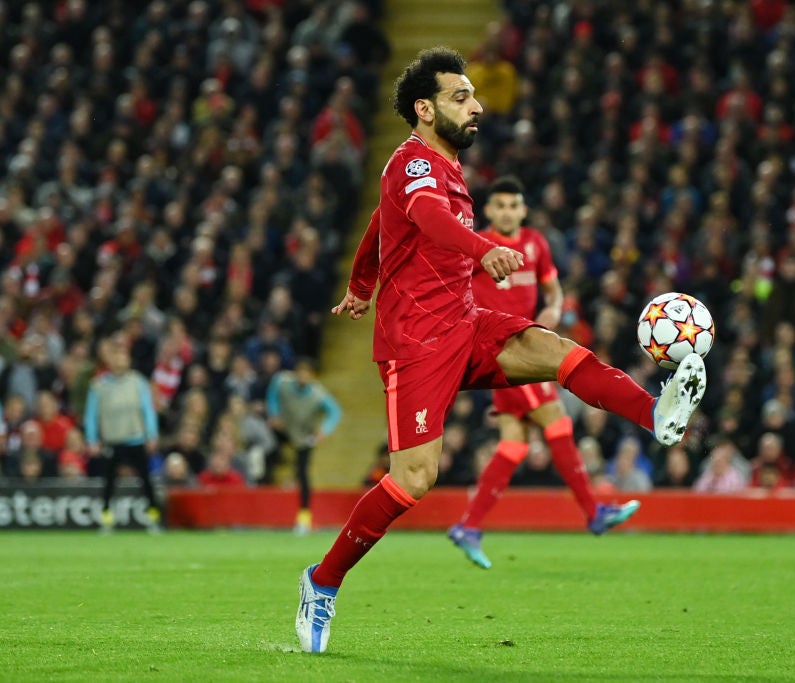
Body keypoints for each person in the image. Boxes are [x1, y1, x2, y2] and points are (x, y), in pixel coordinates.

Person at [295, 47, 707, 654]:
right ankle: (321, 583)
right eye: (461, 96)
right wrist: (480, 248)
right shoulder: (414, 166)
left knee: (553, 349)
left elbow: (380, 228)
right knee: (414, 479)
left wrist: (360, 285)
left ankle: (656, 415)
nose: (477, 105)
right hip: (416, 342)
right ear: (424, 109)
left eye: (473, 94)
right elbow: (429, 219)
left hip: (465, 321)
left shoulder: (445, 164)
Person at [446, 175, 640, 569]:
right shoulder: (479, 248)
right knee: (557, 421)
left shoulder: (535, 243)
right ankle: (593, 512)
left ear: (522, 209)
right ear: (490, 211)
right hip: (503, 353)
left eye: (512, 205)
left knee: (514, 444)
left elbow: (553, 290)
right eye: (498, 205)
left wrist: (552, 309)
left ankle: (469, 525)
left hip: (529, 349)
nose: (506, 212)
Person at [83, 342, 162, 532]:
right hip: (112, 439)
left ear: (128, 360)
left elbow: (147, 410)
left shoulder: (138, 382)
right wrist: (92, 439)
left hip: (135, 438)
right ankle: (106, 519)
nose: (120, 361)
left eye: (123, 357)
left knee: (146, 480)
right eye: (116, 357)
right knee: (109, 482)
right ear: (109, 360)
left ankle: (154, 518)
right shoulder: (99, 386)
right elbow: (91, 415)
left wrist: (152, 435)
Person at [266, 356, 343, 534]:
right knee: (267, 449)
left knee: (303, 474)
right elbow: (272, 393)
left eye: (306, 374)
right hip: (285, 428)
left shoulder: (318, 394)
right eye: (300, 373)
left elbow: (335, 412)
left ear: (312, 377)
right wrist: (274, 413)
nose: (302, 378)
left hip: (304, 435)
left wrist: (324, 430)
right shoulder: (282, 381)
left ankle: (304, 518)